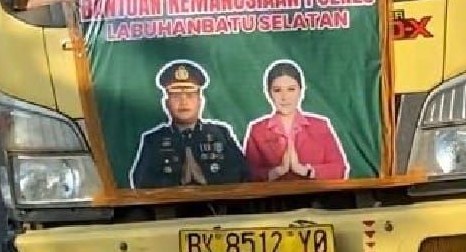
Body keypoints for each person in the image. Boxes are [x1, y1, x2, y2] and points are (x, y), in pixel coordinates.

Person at [130, 60, 248, 188]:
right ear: (166, 103)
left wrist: (205, 179)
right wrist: (179, 182)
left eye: (190, 95)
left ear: (200, 101)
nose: (183, 102)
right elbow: (141, 182)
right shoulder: (153, 140)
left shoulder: (220, 133)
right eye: (176, 96)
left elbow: (243, 173)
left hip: (219, 205)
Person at [244, 60, 348, 181]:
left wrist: (305, 171)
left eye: (291, 89)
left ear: (301, 90)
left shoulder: (320, 126)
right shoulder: (257, 130)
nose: (284, 97)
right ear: (269, 93)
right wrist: (276, 172)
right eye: (277, 90)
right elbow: (247, 174)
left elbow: (339, 168)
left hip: (316, 198)